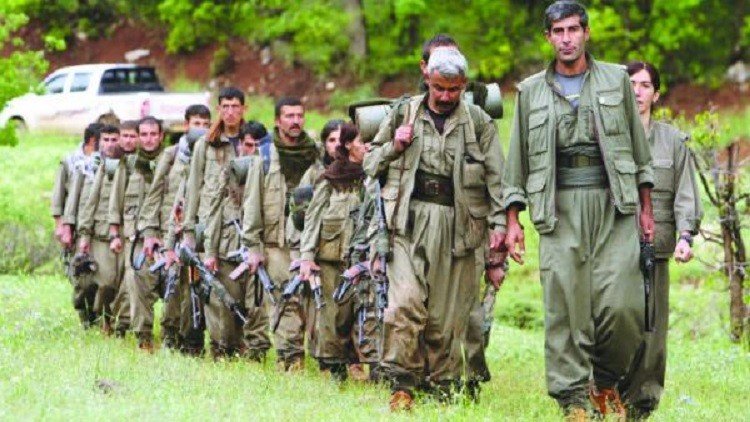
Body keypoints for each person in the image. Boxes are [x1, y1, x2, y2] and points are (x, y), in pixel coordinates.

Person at [501, 1, 655, 419]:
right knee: (565, 306)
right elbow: (516, 162)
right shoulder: (531, 91)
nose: (566, 39)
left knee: (623, 305)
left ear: (586, 32)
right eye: (558, 31)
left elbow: (639, 151)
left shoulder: (616, 80)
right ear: (548, 37)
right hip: (559, 207)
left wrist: (646, 208)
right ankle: (572, 396)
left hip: (613, 204)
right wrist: (512, 221)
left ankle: (604, 382)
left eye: (573, 29)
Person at [364, 48, 506, 410]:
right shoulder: (403, 113)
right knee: (404, 305)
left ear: (464, 86)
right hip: (407, 224)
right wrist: (394, 146)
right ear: (427, 79)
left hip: (458, 228)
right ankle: (401, 384)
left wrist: (501, 229)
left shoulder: (478, 122)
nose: (445, 96)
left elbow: (498, 182)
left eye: (453, 89)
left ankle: (439, 386)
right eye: (439, 88)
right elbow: (369, 162)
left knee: (445, 320)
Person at [618, 61, 703, 418]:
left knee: (652, 331)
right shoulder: (608, 137)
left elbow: (686, 194)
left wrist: (686, 237)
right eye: (631, 84)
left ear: (656, 93)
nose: (637, 91)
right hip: (612, 248)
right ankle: (605, 393)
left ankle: (641, 404)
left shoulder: (673, 142)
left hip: (656, 247)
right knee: (613, 323)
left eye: (644, 85)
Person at [238, 97, 323, 372]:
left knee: (312, 304)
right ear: (277, 121)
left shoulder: (316, 154)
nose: (295, 121)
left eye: (299, 115)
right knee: (285, 300)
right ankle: (290, 359)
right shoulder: (264, 156)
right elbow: (252, 204)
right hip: (277, 244)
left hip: (310, 242)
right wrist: (253, 247)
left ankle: (322, 359)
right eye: (289, 116)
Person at [294, 123, 379, 381]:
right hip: (332, 258)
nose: (367, 147)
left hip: (366, 259)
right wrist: (306, 257)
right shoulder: (330, 178)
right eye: (362, 142)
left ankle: (375, 367)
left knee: (369, 311)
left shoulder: (375, 177)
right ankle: (334, 368)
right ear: (349, 145)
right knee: (332, 315)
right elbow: (313, 218)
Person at [138, 104, 211, 353]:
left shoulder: (212, 155)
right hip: (172, 231)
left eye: (205, 124)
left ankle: (193, 340)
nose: (200, 129)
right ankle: (170, 334)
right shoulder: (171, 156)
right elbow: (154, 195)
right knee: (173, 285)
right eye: (196, 123)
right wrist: (151, 233)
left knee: (195, 288)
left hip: (200, 232)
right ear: (186, 125)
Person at [182, 88, 245, 357]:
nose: (230, 112)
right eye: (225, 107)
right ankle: (219, 347)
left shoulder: (249, 141)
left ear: (243, 109)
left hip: (243, 222)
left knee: (242, 290)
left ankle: (242, 345)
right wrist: (189, 230)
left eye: (235, 106)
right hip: (210, 225)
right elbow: (193, 187)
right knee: (215, 287)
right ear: (219, 109)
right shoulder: (206, 144)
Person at [202, 128, 272, 360]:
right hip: (228, 250)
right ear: (240, 145)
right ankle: (222, 351)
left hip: (259, 253)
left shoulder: (268, 172)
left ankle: (255, 353)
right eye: (249, 146)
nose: (252, 152)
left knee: (257, 307)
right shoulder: (227, 174)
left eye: (257, 147)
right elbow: (213, 213)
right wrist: (210, 251)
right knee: (225, 307)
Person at [107, 116, 165, 352]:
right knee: (136, 284)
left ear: (161, 136)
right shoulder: (129, 164)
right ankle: (144, 337)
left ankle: (174, 336)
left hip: (166, 236)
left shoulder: (170, 162)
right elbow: (116, 200)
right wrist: (114, 232)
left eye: (153, 134)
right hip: (137, 238)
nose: (149, 139)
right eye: (144, 134)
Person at [66, 124, 121, 333]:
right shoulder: (85, 167)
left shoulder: (121, 167)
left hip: (109, 234)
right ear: (99, 142)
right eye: (106, 140)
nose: (110, 144)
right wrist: (69, 227)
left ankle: (105, 320)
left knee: (107, 282)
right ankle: (86, 317)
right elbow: (74, 199)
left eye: (114, 140)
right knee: (84, 282)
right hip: (87, 231)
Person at [52, 122, 101, 327]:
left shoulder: (103, 160)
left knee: (100, 274)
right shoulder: (70, 161)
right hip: (75, 224)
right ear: (92, 141)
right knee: (81, 274)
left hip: (97, 225)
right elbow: (59, 195)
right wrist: (61, 226)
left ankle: (100, 316)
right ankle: (85, 316)